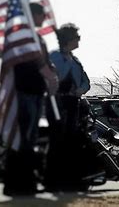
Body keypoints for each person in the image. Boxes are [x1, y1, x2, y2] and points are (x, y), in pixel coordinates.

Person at [3, 3, 59, 195]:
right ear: (31, 15)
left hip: (36, 92)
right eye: (40, 14)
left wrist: (52, 73)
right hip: (24, 90)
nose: (43, 18)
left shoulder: (39, 39)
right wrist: (47, 72)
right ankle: (15, 183)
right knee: (22, 137)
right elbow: (33, 60)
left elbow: (45, 61)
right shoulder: (22, 36)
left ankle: (26, 181)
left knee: (31, 138)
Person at [44, 23, 90, 191]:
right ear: (68, 39)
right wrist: (67, 61)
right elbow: (56, 75)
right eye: (77, 37)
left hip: (72, 103)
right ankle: (52, 181)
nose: (79, 40)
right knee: (57, 140)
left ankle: (70, 180)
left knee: (72, 141)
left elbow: (86, 82)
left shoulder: (76, 61)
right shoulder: (54, 57)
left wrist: (81, 90)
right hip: (57, 101)